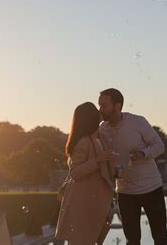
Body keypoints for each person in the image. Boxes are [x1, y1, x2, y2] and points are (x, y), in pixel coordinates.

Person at [98, 88, 167, 245]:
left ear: (117, 106)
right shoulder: (102, 130)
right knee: (132, 240)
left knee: (160, 238)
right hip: (125, 192)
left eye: (104, 105)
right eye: (99, 105)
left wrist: (143, 153)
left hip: (151, 188)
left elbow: (159, 146)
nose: (100, 110)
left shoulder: (138, 122)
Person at [55, 102, 116, 245]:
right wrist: (98, 160)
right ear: (90, 118)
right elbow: (75, 172)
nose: (99, 112)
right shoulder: (83, 142)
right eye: (96, 111)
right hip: (83, 201)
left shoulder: (97, 138)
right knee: (82, 239)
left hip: (92, 199)